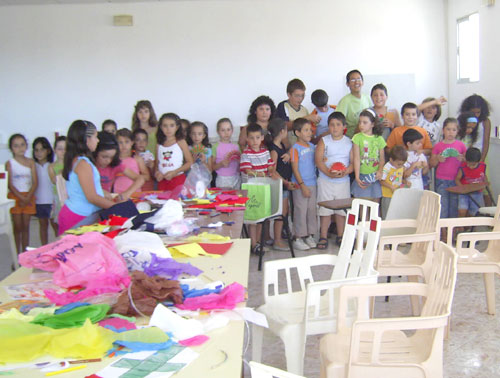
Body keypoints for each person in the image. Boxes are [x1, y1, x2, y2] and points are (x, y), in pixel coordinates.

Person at [58, 121, 116, 235]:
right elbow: (91, 197)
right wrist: (116, 207)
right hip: (78, 216)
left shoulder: (79, 160)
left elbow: (85, 188)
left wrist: (103, 193)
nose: (97, 140)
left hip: (80, 214)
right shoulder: (82, 163)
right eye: (95, 137)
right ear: (87, 139)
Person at [315, 112, 353, 248]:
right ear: (328, 127)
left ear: (344, 126)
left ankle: (340, 235)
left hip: (343, 181)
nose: (335, 128)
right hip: (325, 180)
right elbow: (318, 161)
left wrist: (345, 171)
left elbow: (353, 163)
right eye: (332, 125)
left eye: (338, 125)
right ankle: (323, 236)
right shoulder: (324, 141)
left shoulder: (349, 142)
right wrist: (329, 173)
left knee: (341, 210)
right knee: (325, 210)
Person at [240, 123, 275, 254]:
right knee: (252, 218)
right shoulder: (246, 154)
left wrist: (270, 171)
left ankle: (259, 242)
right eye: (251, 138)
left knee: (261, 218)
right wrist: (262, 173)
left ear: (262, 138)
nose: (255, 141)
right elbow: (248, 170)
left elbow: (270, 165)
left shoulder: (265, 152)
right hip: (251, 191)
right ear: (247, 139)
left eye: (257, 137)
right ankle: (253, 243)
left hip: (263, 189)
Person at [6, 134, 37, 254]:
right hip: (15, 197)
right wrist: (20, 197)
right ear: (11, 148)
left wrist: (28, 197)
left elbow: (35, 182)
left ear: (26, 146)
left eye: (22, 145)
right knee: (17, 227)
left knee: (26, 226)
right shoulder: (10, 163)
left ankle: (25, 253)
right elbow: (9, 184)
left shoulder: (30, 162)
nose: (20, 148)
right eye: (16, 146)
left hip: (29, 196)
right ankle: (16, 253)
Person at [430, 118, 466, 220]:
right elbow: (431, 164)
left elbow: (467, 163)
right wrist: (438, 158)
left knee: (454, 206)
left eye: (454, 130)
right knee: (443, 206)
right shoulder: (438, 146)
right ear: (443, 130)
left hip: (456, 180)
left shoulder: (461, 145)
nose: (451, 132)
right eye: (448, 129)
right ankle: (443, 231)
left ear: (457, 131)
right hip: (441, 180)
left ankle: (452, 230)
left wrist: (462, 159)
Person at [290, 118, 318, 250]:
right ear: (297, 132)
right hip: (300, 185)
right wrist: (302, 185)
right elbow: (295, 168)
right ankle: (298, 237)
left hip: (312, 183)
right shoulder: (295, 149)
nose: (309, 133)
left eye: (310, 130)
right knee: (301, 210)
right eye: (306, 130)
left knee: (311, 210)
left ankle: (309, 235)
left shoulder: (313, 147)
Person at [267, 118, 295, 251]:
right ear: (282, 131)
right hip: (280, 186)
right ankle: (277, 240)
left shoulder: (280, 145)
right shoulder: (273, 149)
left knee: (284, 212)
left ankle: (279, 238)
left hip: (284, 185)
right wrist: (285, 182)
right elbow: (272, 171)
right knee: (281, 213)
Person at [351, 109, 386, 202]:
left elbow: (382, 159)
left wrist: (379, 171)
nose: (361, 125)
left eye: (365, 122)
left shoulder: (379, 139)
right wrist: (357, 176)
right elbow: (356, 158)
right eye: (360, 122)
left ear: (373, 124)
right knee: (362, 205)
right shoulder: (357, 137)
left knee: (375, 206)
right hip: (362, 176)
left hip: (375, 177)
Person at [155, 113, 193, 191]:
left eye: (171, 125)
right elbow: (157, 164)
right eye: (165, 126)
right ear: (161, 127)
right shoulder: (159, 144)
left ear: (177, 127)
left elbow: (190, 162)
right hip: (162, 181)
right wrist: (157, 173)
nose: (168, 129)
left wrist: (175, 172)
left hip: (177, 179)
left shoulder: (181, 142)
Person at [275, 79, 320, 145]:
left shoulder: (304, 110)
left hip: (303, 148)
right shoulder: (283, 106)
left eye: (302, 95)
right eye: (297, 96)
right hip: (289, 148)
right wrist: (307, 118)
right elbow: (283, 127)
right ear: (289, 95)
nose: (300, 99)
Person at [32, 137, 57, 245]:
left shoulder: (52, 166)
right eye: (36, 150)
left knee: (55, 226)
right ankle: (44, 247)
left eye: (42, 149)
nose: (39, 153)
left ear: (48, 151)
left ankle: (59, 247)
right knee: (43, 226)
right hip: (39, 201)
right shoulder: (33, 166)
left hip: (52, 201)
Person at [336, 69, 372, 138]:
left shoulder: (367, 98)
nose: (356, 82)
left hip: (367, 135)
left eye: (359, 79)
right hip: (352, 137)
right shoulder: (345, 101)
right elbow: (338, 121)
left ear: (363, 82)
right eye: (353, 80)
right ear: (347, 84)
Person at [455, 147, 488, 218]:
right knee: (462, 211)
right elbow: (457, 179)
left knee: (474, 212)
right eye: (468, 164)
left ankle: (470, 227)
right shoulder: (463, 167)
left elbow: (484, 175)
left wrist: (485, 184)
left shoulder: (483, 166)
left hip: (477, 192)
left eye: (473, 165)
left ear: (479, 162)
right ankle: (460, 227)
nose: (470, 167)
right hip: (464, 193)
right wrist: (462, 188)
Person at [114, 128, 148, 195]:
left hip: (135, 193)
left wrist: (132, 175)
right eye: (120, 142)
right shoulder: (114, 160)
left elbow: (147, 176)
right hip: (117, 193)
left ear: (132, 142)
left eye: (126, 142)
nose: (123, 145)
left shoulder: (137, 159)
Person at [459, 94, 491, 163]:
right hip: (464, 156)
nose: (476, 115)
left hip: (479, 156)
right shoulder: (462, 119)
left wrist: (482, 159)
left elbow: (486, 142)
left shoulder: (485, 121)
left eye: (478, 112)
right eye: (473, 112)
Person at [211, 118, 240, 189]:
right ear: (218, 132)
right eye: (223, 130)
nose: (226, 133)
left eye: (228, 129)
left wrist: (238, 160)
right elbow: (212, 167)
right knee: (224, 198)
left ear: (232, 130)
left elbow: (241, 163)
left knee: (237, 198)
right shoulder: (216, 147)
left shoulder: (236, 146)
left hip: (236, 177)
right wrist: (221, 164)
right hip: (222, 179)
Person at [380, 145, 408, 219]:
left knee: (397, 215)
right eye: (399, 164)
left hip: (397, 195)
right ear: (391, 159)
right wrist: (390, 187)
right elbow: (381, 181)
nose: (400, 166)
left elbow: (397, 178)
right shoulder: (387, 167)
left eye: (402, 164)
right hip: (387, 195)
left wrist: (404, 182)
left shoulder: (401, 167)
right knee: (387, 215)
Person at [48, 136, 66, 231]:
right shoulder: (52, 166)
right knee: (59, 222)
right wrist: (62, 172)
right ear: (55, 150)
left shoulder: (74, 164)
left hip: (70, 197)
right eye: (60, 149)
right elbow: (54, 180)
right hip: (58, 197)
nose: (63, 151)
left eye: (66, 149)